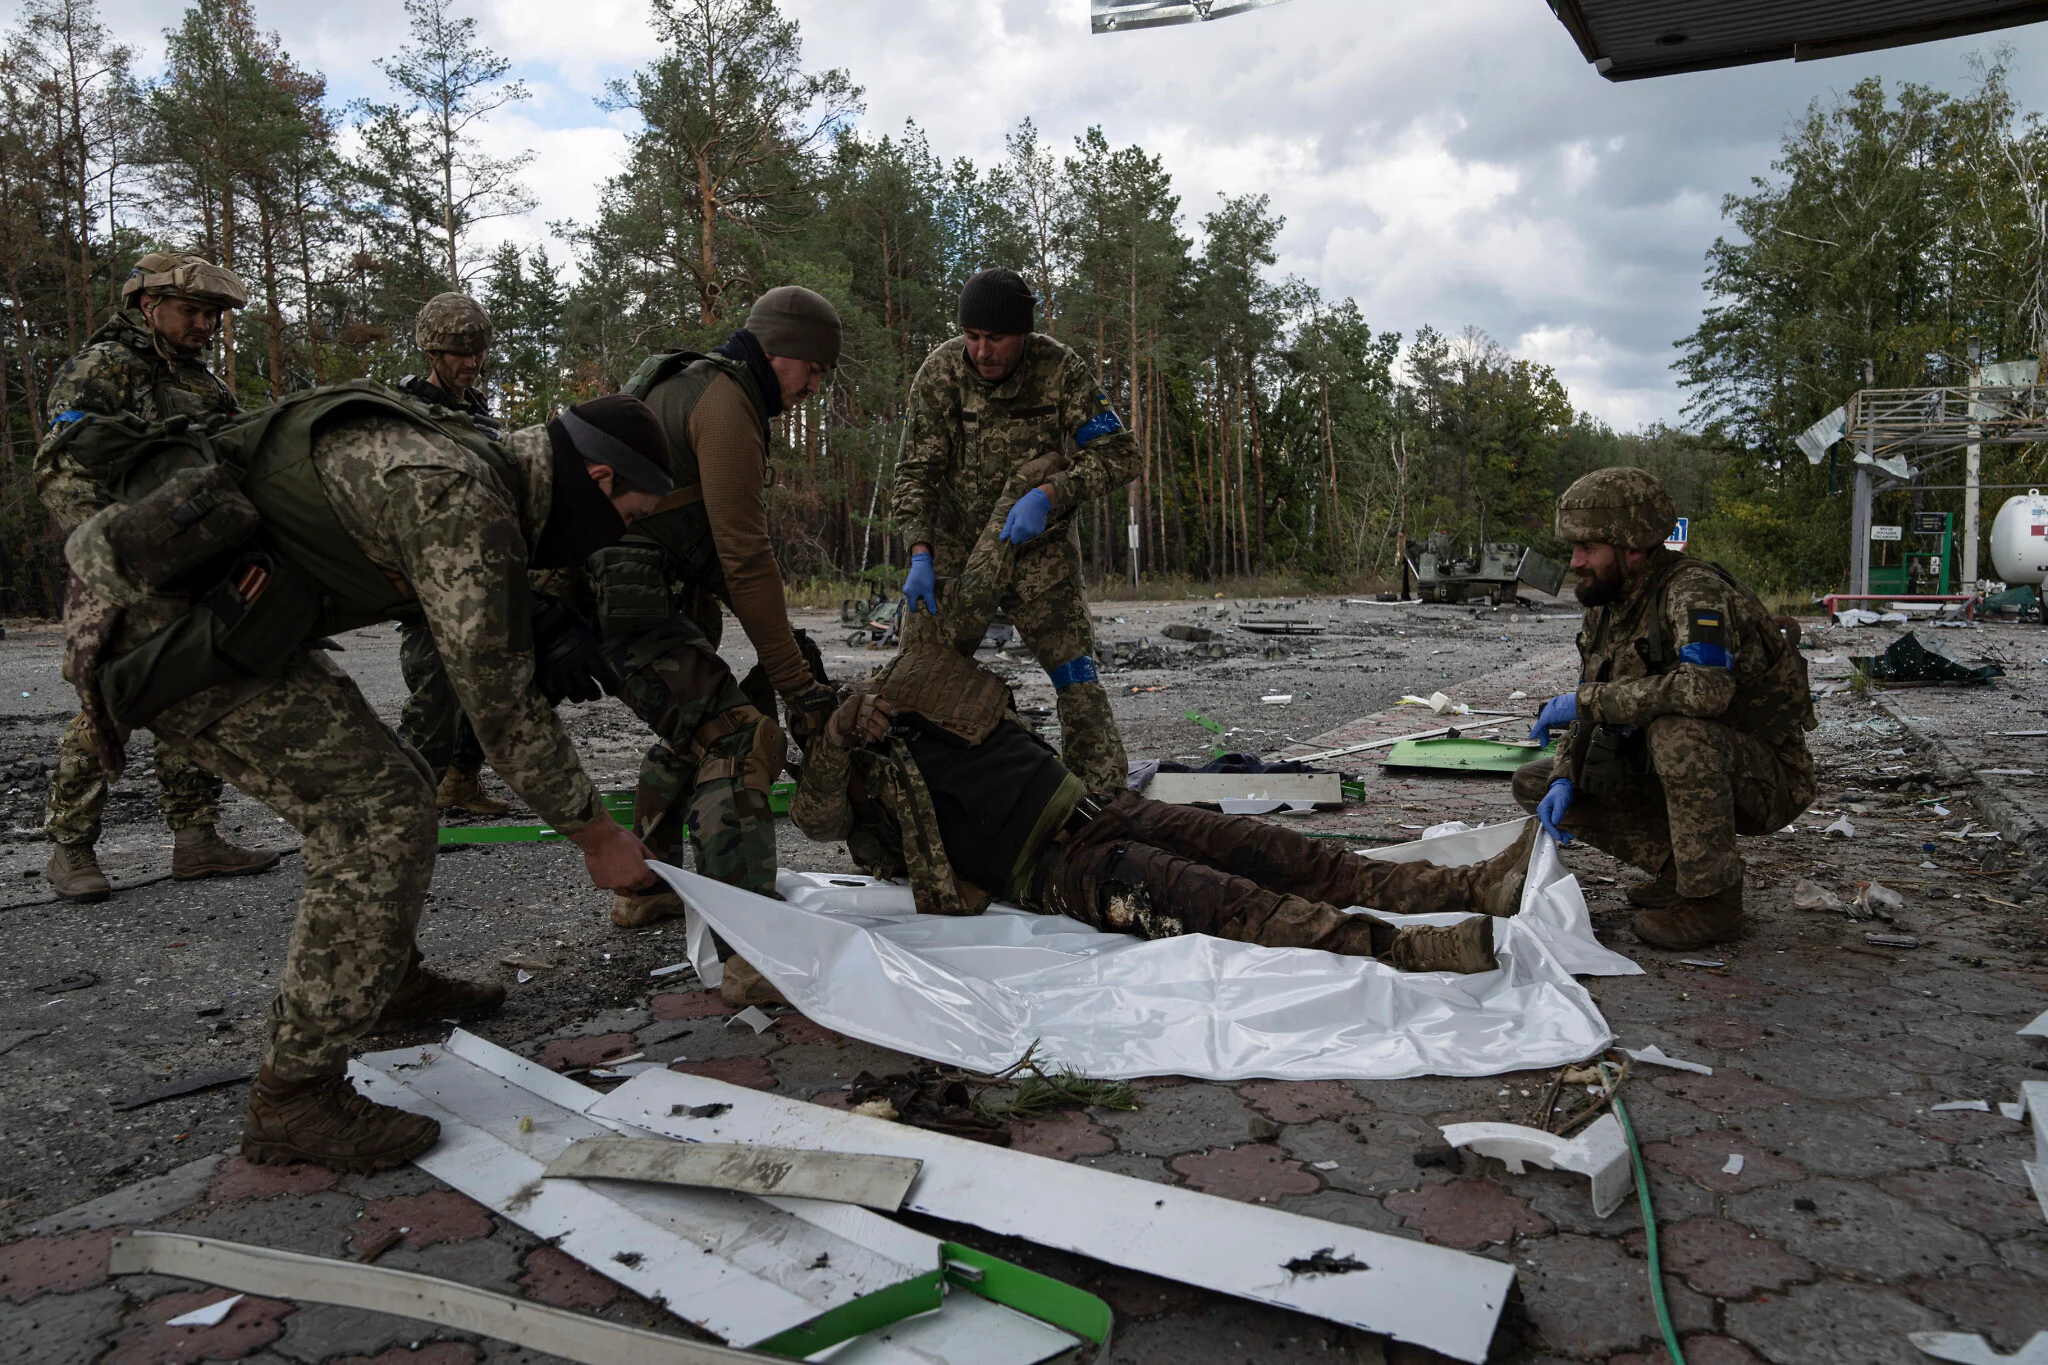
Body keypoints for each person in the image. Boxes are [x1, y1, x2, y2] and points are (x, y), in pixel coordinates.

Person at [56, 385, 672, 1170]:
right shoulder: (460, 494)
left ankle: (380, 980)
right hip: (163, 629)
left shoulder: (481, 467)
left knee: (400, 782)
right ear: (600, 480)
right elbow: (499, 702)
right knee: (375, 816)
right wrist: (595, 833)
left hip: (231, 608)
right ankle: (295, 1096)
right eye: (631, 517)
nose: (620, 536)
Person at [790, 644, 1529, 973]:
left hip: (1104, 807)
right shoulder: (848, 780)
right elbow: (816, 819)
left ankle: (1462, 886)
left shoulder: (901, 697)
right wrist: (833, 736)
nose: (833, 700)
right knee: (1228, 904)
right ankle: (1408, 950)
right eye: (812, 704)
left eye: (824, 688)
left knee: (1285, 853)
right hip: (1059, 867)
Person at [591, 286, 842, 952]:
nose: (815, 384)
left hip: (627, 594)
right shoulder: (727, 403)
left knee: (692, 726)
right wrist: (794, 683)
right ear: (776, 349)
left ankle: (644, 892)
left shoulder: (703, 384)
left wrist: (782, 648)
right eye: (812, 367)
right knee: (739, 738)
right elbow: (745, 557)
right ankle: (751, 949)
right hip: (625, 597)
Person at [34, 250, 281, 902]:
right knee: (111, 695)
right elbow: (64, 466)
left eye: (213, 315)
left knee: (195, 693)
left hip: (196, 565)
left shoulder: (204, 383)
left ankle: (196, 838)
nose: (205, 325)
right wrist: (113, 549)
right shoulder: (103, 369)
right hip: (123, 565)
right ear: (151, 307)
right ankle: (70, 848)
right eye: (194, 311)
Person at [1513, 467, 1816, 950]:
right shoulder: (1607, 606)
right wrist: (1567, 773)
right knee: (1535, 779)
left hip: (1762, 776)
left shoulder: (1694, 592)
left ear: (1632, 546)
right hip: (1677, 769)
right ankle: (1680, 871)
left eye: (1587, 547)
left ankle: (1714, 902)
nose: (1574, 561)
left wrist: (1586, 702)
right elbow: (1592, 700)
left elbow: (1706, 692)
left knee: (1678, 733)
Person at [893, 268, 1135, 792]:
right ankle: (918, 791)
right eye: (973, 336)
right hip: (955, 551)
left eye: (996, 338)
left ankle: (1101, 795)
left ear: (1023, 334)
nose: (982, 351)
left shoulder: (1059, 370)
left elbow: (1121, 455)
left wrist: (1052, 494)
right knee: (920, 675)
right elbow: (916, 473)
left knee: (1075, 673)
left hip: (1037, 546)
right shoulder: (939, 375)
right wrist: (919, 552)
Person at [394, 293, 511, 817]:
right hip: (428, 574)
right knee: (434, 695)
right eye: (459, 353)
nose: (471, 362)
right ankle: (403, 806)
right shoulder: (405, 411)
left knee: (486, 689)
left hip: (481, 571)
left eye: (478, 352)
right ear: (432, 352)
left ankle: (460, 782)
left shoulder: (476, 411)